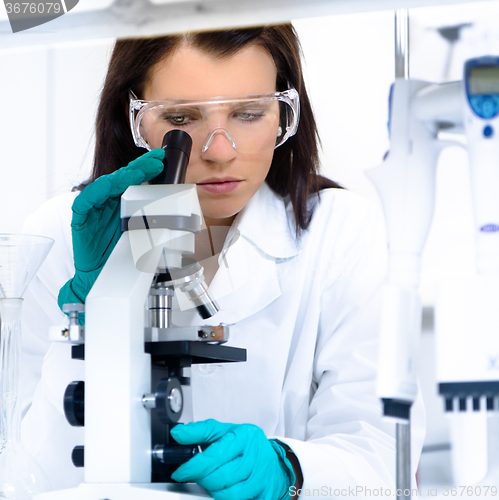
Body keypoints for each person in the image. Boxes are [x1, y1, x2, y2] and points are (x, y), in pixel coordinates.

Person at [21, 24, 425, 498]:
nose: (217, 152)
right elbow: (28, 476)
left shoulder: (343, 233)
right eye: (181, 119)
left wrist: (291, 469)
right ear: (130, 121)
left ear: (283, 115)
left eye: (248, 114)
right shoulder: (63, 234)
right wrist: (95, 318)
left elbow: (382, 462)